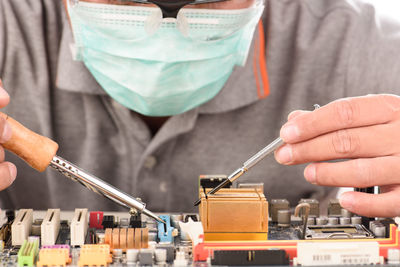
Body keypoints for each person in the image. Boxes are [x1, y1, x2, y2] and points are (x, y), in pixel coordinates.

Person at [0, 0, 399, 216]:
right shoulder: (9, 23)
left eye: (203, 3)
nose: (164, 35)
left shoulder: (348, 41)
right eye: (125, 1)